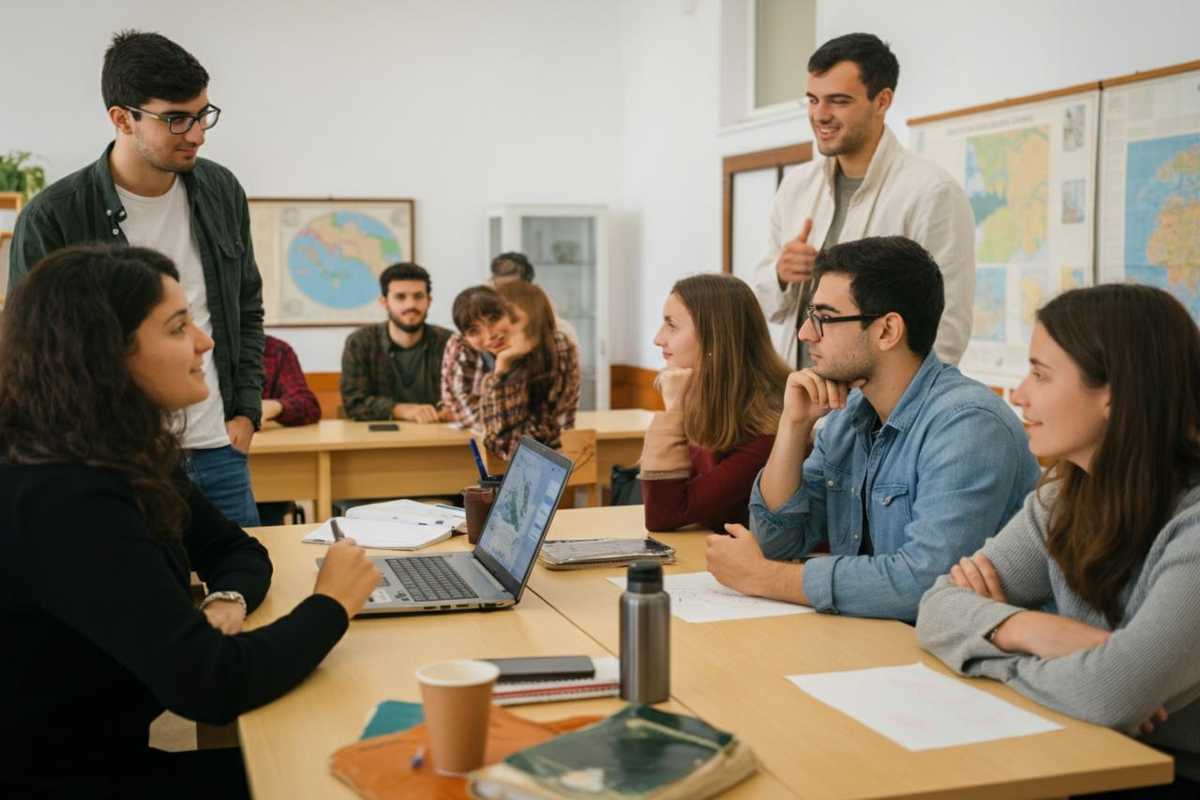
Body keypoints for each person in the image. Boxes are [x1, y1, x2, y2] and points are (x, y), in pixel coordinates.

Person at [0, 245, 379, 797]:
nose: (205, 342)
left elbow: (236, 549)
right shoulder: (62, 494)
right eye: (178, 328)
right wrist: (332, 604)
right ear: (106, 354)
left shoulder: (119, 453)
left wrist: (225, 600)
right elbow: (212, 685)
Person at [917, 285, 1200, 796]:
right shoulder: (1062, 498)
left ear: (1113, 392)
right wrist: (1030, 630)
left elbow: (1109, 694)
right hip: (1079, 746)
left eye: (1040, 374)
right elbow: (937, 606)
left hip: (1165, 772)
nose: (1019, 393)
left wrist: (989, 642)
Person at [706, 236, 1039, 622]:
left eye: (824, 318)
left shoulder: (968, 426)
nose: (806, 334)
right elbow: (775, 540)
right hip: (879, 646)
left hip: (966, 664)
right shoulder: (848, 419)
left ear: (886, 331)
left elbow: (926, 584)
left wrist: (766, 579)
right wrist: (793, 425)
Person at [9, 30, 265, 526]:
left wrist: (246, 412)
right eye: (175, 119)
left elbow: (246, 306)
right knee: (141, 597)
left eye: (202, 114)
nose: (197, 134)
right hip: (112, 461)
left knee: (248, 588)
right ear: (122, 118)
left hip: (219, 448)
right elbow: (35, 352)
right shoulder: (54, 216)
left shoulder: (221, 190)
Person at [752, 32, 974, 368]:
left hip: (877, 414)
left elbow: (947, 331)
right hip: (798, 400)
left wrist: (888, 417)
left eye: (838, 101)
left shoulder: (932, 193)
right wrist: (781, 275)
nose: (820, 115)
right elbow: (767, 306)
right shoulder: (796, 188)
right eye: (812, 100)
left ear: (882, 101)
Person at [640, 274, 790, 532]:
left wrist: (673, 411)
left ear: (715, 336)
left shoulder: (767, 430)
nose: (658, 338)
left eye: (672, 326)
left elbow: (664, 514)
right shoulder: (708, 401)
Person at [441, 283, 580, 460]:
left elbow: (559, 423)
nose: (490, 335)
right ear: (465, 337)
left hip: (548, 457)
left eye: (494, 319)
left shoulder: (558, 346)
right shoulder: (460, 348)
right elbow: (486, 429)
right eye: (474, 331)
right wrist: (502, 367)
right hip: (478, 457)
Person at [340, 261, 453, 422]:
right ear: (384, 302)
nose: (411, 304)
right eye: (400, 297)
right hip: (380, 440)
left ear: (429, 300)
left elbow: (462, 398)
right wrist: (401, 410)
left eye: (418, 296)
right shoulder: (360, 342)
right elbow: (353, 402)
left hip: (438, 434)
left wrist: (451, 411)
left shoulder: (449, 342)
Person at [258, 334, 321, 525]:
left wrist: (276, 406)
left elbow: (308, 406)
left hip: (266, 473)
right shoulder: (201, 348)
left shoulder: (276, 350)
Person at [489, 251, 579, 344]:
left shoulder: (559, 331)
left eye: (512, 290)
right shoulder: (486, 330)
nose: (503, 296)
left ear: (529, 289)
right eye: (498, 288)